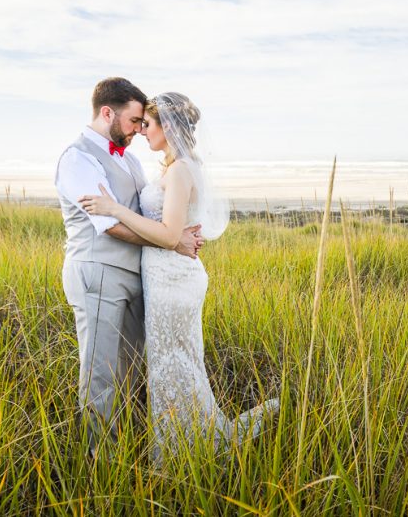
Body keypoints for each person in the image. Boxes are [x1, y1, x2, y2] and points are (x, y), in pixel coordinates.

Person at [80, 92, 279, 459]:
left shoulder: (181, 170)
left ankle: (179, 451)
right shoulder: (174, 167)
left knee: (172, 361)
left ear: (168, 127)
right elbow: (174, 233)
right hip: (165, 276)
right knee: (172, 360)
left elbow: (170, 234)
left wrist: (113, 209)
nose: (142, 131)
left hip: (173, 280)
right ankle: (183, 441)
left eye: (148, 124)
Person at [55, 77, 205, 456]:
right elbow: (111, 224)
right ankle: (100, 461)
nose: (139, 130)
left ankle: (136, 446)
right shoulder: (78, 159)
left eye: (144, 123)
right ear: (108, 112)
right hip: (98, 273)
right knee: (101, 373)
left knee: (134, 370)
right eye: (134, 121)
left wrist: (175, 235)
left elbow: (150, 215)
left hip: (142, 280)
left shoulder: (132, 160)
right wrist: (174, 240)